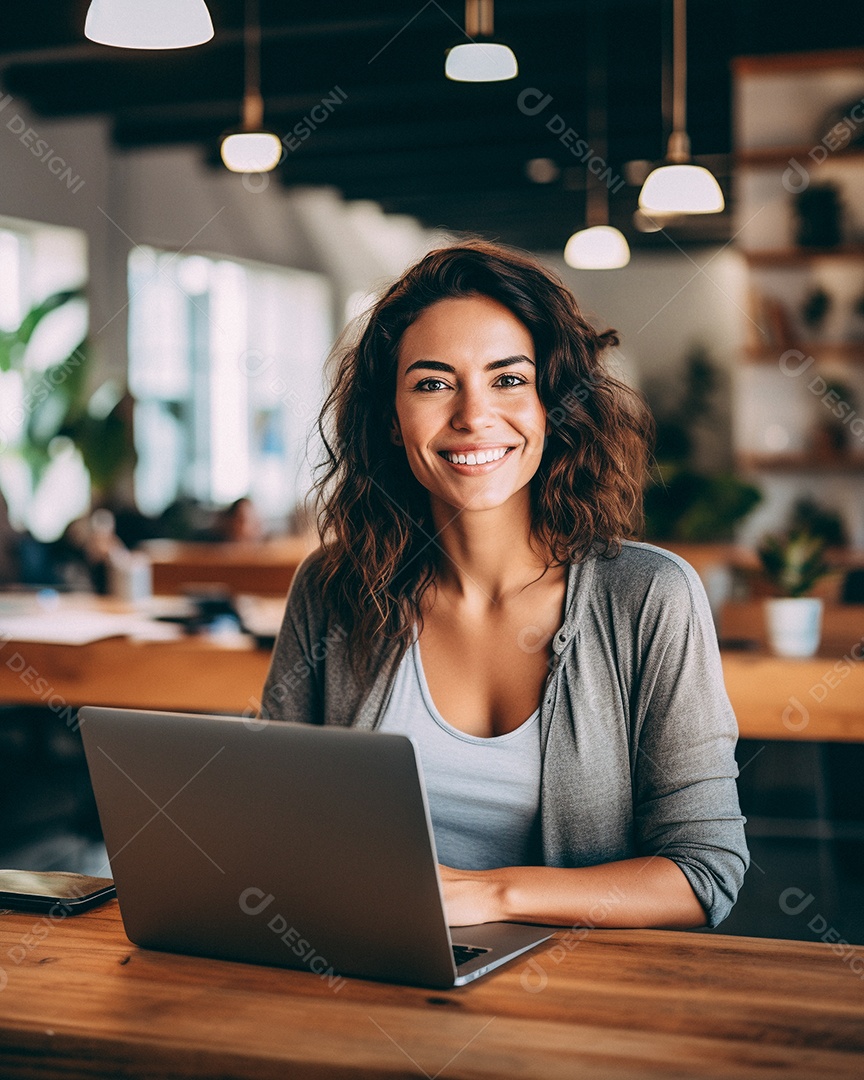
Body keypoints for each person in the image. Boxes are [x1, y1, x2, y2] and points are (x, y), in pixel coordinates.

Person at [261, 240, 748, 931]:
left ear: (554, 403)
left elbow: (705, 872)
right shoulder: (334, 587)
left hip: (585, 1002)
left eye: (509, 379)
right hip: (368, 976)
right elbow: (273, 813)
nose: (472, 415)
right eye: (432, 383)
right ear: (392, 422)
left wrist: (492, 895)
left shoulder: (650, 596)